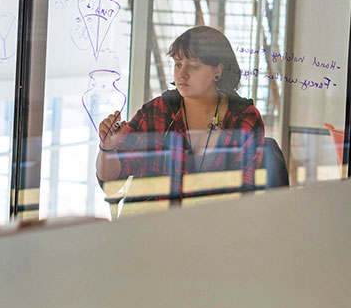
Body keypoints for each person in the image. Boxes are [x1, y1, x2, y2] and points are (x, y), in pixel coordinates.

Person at [96, 25, 264, 189]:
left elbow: (243, 194)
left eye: (193, 66)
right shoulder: (157, 111)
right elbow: (112, 180)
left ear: (217, 71)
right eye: (178, 64)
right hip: (157, 216)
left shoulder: (243, 118)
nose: (182, 74)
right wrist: (107, 149)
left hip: (215, 216)